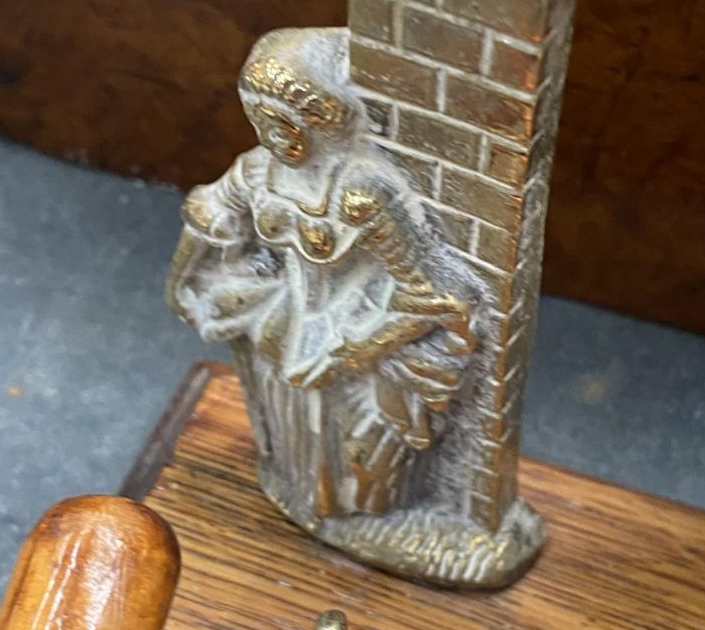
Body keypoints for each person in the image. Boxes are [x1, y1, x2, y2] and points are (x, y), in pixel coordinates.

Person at [168, 28, 477, 532]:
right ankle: (306, 497)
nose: (276, 134)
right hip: (288, 321)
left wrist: (356, 350)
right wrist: (181, 282)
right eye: (262, 118)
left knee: (358, 459)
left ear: (323, 118)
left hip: (362, 332)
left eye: (289, 120)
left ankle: (365, 517)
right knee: (296, 433)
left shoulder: (363, 191)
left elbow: (437, 296)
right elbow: (207, 215)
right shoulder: (256, 173)